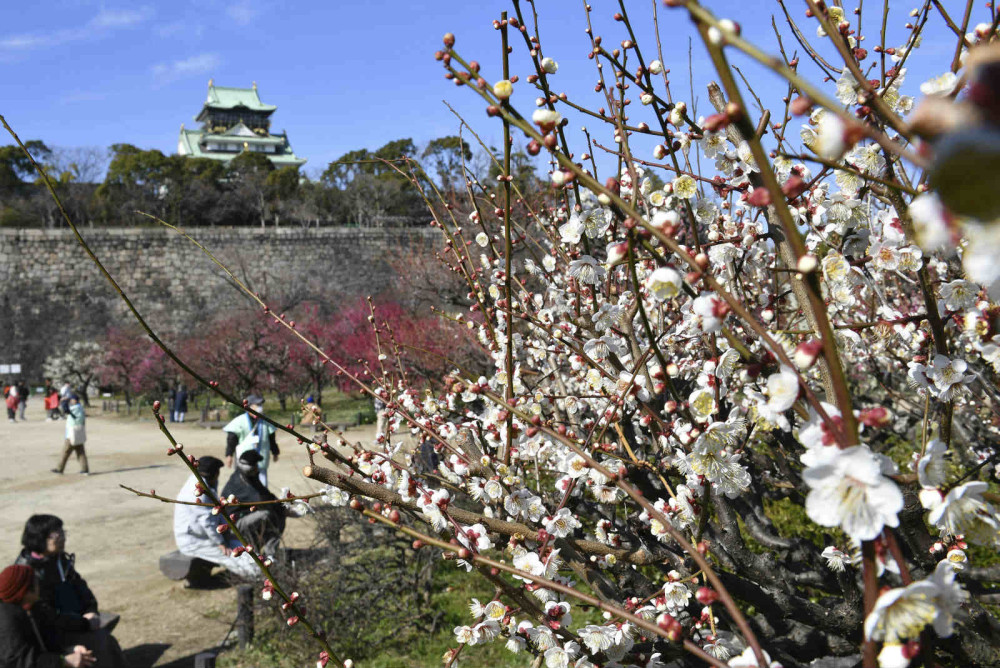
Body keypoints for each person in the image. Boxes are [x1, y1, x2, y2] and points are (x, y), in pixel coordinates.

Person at [14, 516, 126, 668]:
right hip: (50, 635)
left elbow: (81, 587)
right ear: (39, 538)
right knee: (101, 642)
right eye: (56, 534)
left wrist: (91, 611)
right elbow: (47, 617)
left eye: (62, 532)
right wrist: (84, 624)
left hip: (75, 623)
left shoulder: (59, 560)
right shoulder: (27, 573)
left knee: (105, 642)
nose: (62, 537)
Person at [173, 456, 258, 578]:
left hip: (204, 535)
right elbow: (207, 522)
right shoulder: (198, 493)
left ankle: (259, 569)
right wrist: (221, 542)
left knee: (241, 546)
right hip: (194, 541)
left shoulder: (200, 483)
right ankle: (255, 576)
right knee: (231, 555)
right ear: (215, 474)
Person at [0, 564, 95, 668]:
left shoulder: (33, 609)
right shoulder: (6, 619)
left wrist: (69, 650)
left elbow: (45, 643)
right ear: (25, 591)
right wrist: (63, 661)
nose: (39, 585)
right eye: (35, 582)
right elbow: (20, 660)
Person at [220, 450, 287, 555]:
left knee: (277, 513)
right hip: (234, 523)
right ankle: (270, 554)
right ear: (251, 468)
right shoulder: (241, 483)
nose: (257, 468)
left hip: (246, 515)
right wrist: (283, 508)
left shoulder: (247, 476)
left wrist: (281, 505)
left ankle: (268, 551)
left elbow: (265, 493)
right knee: (270, 514)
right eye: (255, 466)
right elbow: (264, 502)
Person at [223, 395, 279, 487]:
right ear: (249, 406)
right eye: (257, 404)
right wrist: (229, 455)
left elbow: (272, 438)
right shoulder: (240, 420)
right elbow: (232, 439)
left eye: (261, 404)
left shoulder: (266, 421)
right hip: (244, 461)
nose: (260, 406)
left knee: (262, 485)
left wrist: (275, 452)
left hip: (261, 459)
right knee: (243, 484)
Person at [52, 396, 87, 475]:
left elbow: (64, 409)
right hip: (78, 433)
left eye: (72, 399)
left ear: (75, 400)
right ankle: (85, 469)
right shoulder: (80, 408)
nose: (71, 401)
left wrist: (64, 400)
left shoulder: (75, 408)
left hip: (72, 433)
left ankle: (59, 468)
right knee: (80, 452)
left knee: (65, 451)